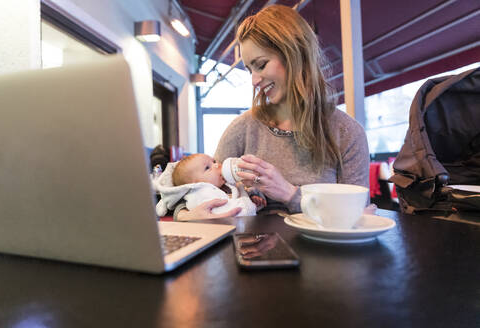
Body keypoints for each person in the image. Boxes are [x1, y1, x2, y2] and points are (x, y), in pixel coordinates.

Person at [175, 4, 369, 221]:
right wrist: (185, 216)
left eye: (261, 65)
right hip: (252, 252)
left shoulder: (347, 133)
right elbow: (195, 192)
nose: (254, 80)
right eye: (249, 69)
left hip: (325, 253)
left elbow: (357, 217)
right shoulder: (242, 129)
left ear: (295, 54)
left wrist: (289, 193)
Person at [154, 154, 266, 218]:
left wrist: (251, 198)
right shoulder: (202, 194)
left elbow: (238, 198)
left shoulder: (224, 186)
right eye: (208, 168)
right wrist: (249, 205)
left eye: (213, 161)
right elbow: (238, 211)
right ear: (195, 184)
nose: (217, 165)